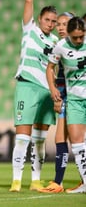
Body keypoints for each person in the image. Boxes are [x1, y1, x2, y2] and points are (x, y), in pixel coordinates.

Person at [9, 0, 59, 192]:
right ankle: (16, 181)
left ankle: (36, 181)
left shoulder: (57, 41)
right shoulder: (29, 30)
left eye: (53, 21)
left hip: (46, 91)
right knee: (22, 137)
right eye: (47, 19)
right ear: (39, 19)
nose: (50, 23)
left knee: (40, 140)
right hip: (27, 86)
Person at [46, 16, 86, 193]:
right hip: (75, 100)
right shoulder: (60, 47)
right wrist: (53, 88)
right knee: (77, 144)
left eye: (82, 37)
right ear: (69, 34)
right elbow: (49, 68)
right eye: (75, 37)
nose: (79, 40)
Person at [38, 12, 73, 193]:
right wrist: (55, 92)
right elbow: (51, 70)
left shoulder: (77, 46)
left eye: (64, 24)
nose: (60, 27)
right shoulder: (59, 46)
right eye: (58, 24)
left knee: (76, 139)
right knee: (61, 137)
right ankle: (58, 182)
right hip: (65, 94)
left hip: (77, 96)